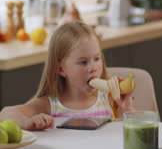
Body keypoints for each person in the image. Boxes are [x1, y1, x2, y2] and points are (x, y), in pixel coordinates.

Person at [0, 21, 135, 130]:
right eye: (83, 62)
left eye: (97, 59)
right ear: (61, 69)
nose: (93, 68)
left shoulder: (110, 101)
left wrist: (127, 108)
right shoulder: (50, 105)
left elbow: (137, 132)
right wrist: (27, 122)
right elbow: (5, 113)